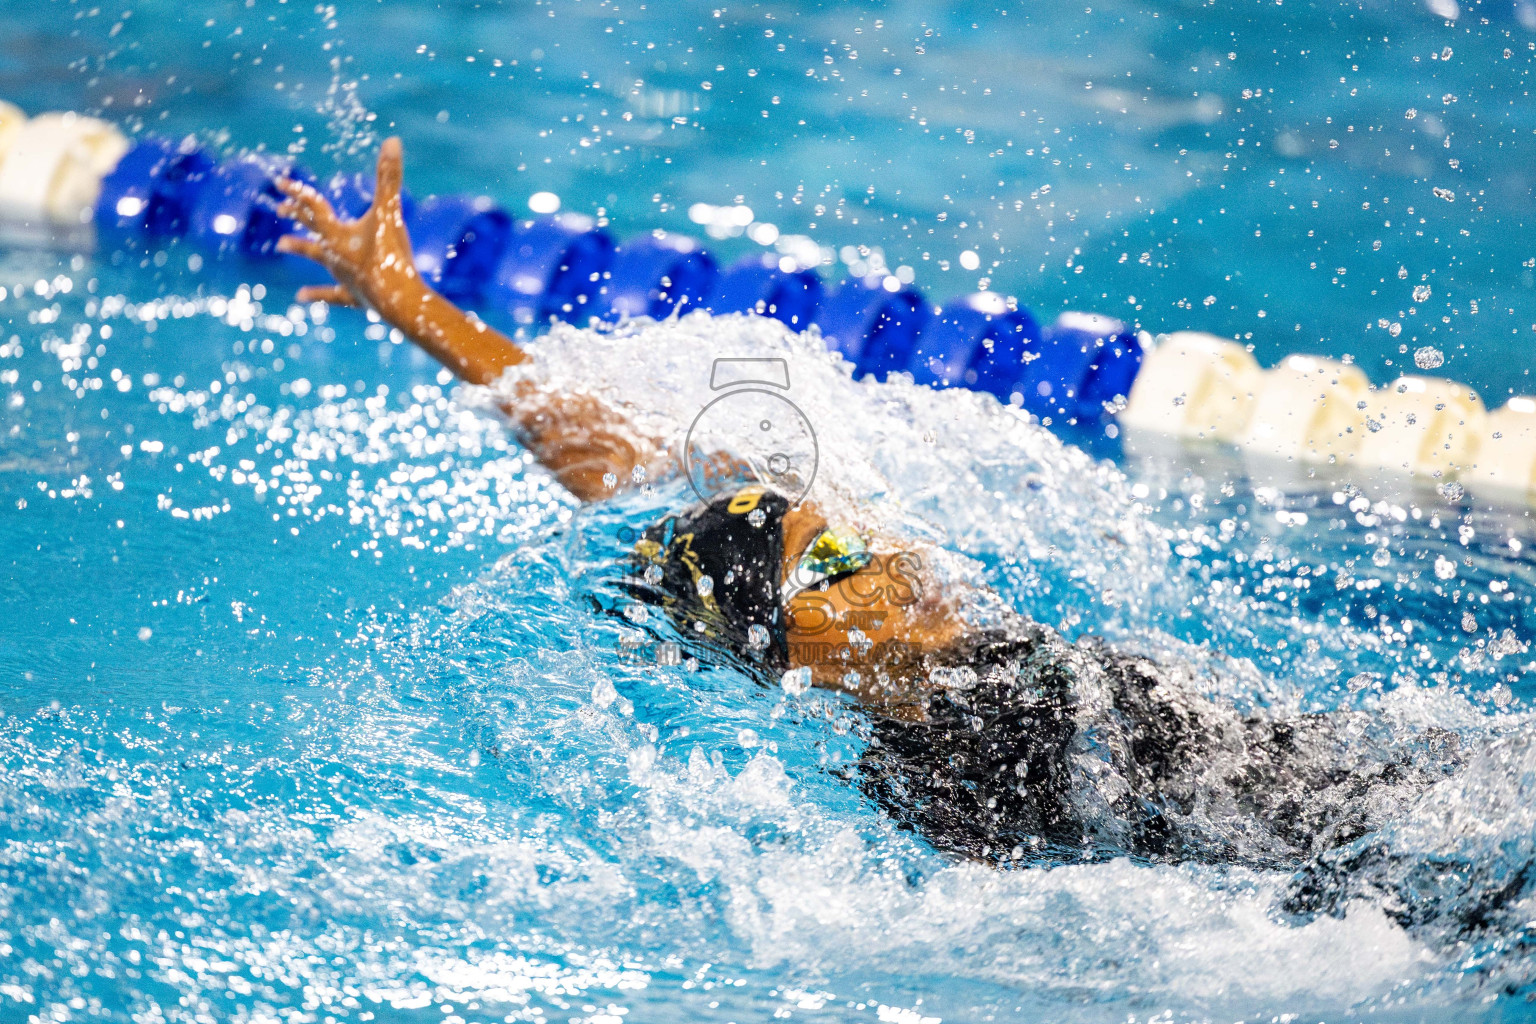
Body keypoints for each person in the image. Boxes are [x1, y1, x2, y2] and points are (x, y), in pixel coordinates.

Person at [273, 139, 1464, 876]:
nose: (889, 554)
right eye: (837, 554)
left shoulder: (902, 647)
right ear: (801, 656)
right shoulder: (964, 785)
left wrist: (411, 304)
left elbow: (613, 464)